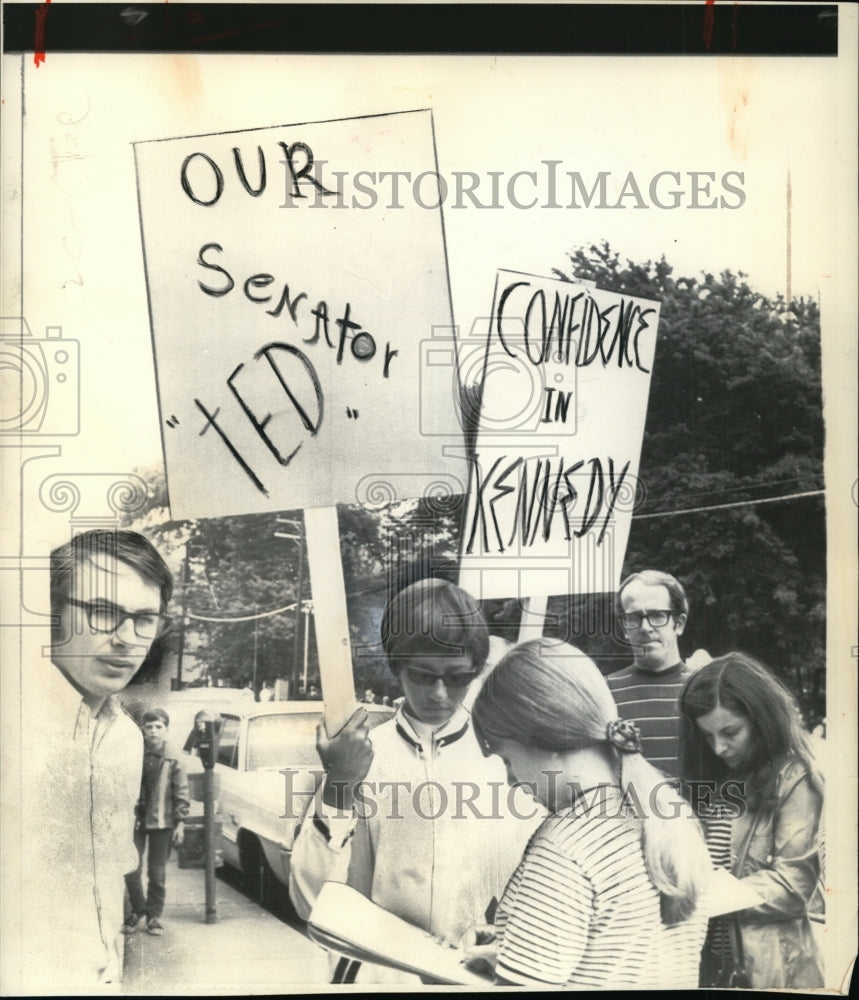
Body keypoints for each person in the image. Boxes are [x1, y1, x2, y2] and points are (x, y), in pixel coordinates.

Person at [289, 578, 541, 984]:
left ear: (477, 669)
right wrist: (339, 784)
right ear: (396, 666)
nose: (440, 693)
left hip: (477, 976)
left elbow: (537, 882)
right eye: (424, 676)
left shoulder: (507, 760)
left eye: (458, 677)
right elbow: (310, 899)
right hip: (377, 978)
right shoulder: (359, 756)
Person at [463, 638, 711, 989]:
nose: (511, 780)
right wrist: (517, 951)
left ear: (543, 739)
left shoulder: (563, 849)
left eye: (507, 758)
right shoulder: (671, 816)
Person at [22, 529, 173, 987]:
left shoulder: (125, 738)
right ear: (52, 612)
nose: (128, 638)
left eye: (146, 618)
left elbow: (106, 879)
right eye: (104, 612)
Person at [678, 652, 825, 988]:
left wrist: (698, 897)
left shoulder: (796, 777)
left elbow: (793, 887)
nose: (719, 748)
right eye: (707, 735)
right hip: (707, 965)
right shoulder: (714, 778)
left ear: (761, 719)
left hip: (770, 971)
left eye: (730, 732)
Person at [606, 569, 693, 776]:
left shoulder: (707, 688)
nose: (645, 627)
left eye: (657, 615)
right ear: (625, 627)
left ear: (678, 624)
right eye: (634, 617)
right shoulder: (603, 692)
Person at [123, 708, 190, 937]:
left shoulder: (173, 758)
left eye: (158, 727)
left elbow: (181, 792)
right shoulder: (135, 754)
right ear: (143, 729)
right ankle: (138, 908)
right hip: (136, 822)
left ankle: (153, 916)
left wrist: (181, 823)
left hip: (163, 822)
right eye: (149, 727)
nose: (153, 731)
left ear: (166, 730)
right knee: (131, 866)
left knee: (157, 872)